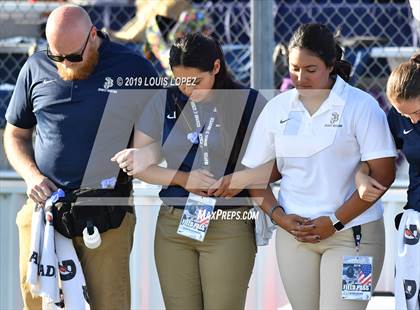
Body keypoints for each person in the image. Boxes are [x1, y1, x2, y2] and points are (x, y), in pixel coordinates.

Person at [4, 5, 158, 309]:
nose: (65, 64)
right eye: (56, 56)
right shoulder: (35, 67)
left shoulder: (134, 69)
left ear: (93, 35)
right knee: (38, 303)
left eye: (73, 56)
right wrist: (31, 175)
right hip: (44, 213)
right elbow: (15, 135)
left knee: (108, 304)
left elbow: (161, 138)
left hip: (105, 214)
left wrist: (143, 154)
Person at [241, 23, 397, 309]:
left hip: (354, 237)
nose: (301, 77)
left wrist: (335, 221)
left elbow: (384, 175)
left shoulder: (361, 106)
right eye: (294, 68)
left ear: (331, 65)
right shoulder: (277, 109)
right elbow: (255, 178)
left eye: (310, 70)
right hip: (295, 237)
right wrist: (279, 217)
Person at [112, 32, 267, 309]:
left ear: (216, 68)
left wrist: (240, 178)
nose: (187, 89)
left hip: (228, 222)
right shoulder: (164, 101)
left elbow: (275, 165)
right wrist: (181, 177)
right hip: (174, 224)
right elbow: (145, 166)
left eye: (195, 81)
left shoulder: (248, 102)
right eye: (179, 80)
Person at [356, 53, 420, 310]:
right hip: (416, 220)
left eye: (417, 111)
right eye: (406, 115)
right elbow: (374, 157)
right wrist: (360, 175)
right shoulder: (399, 117)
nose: (412, 120)